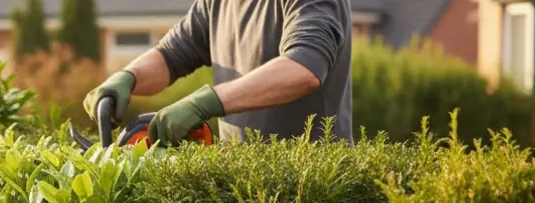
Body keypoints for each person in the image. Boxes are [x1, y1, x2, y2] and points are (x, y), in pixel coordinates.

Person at [83, 0, 353, 146]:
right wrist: (127, 78)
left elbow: (303, 68)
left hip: (314, 195)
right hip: (242, 186)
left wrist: (204, 102)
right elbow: (170, 55)